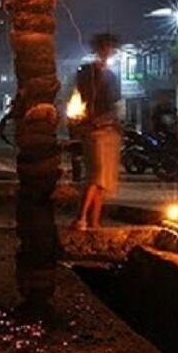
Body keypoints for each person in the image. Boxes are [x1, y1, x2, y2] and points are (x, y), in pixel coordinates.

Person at [72, 33, 122, 230]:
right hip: (94, 129)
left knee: (104, 180)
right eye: (104, 48)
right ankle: (81, 217)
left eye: (110, 48)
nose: (107, 52)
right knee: (96, 174)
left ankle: (94, 220)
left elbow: (115, 103)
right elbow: (82, 96)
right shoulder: (87, 72)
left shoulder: (112, 75)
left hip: (109, 128)